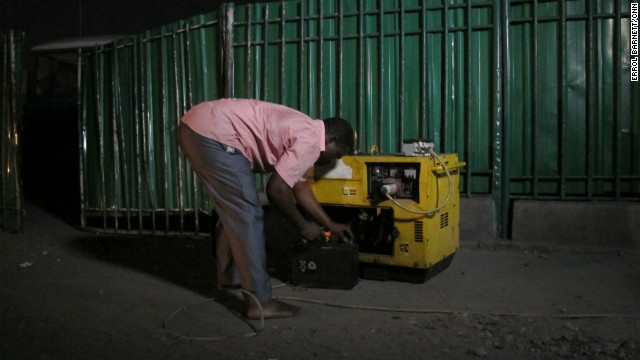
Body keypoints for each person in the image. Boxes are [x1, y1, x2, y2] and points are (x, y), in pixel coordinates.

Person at [177, 98, 354, 319]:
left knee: (234, 211)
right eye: (337, 155)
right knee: (248, 212)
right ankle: (261, 302)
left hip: (195, 127)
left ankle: (230, 279)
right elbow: (276, 190)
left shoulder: (304, 128)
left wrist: (330, 225)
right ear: (331, 139)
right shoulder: (310, 141)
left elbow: (300, 188)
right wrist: (303, 226)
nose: (331, 161)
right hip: (213, 132)